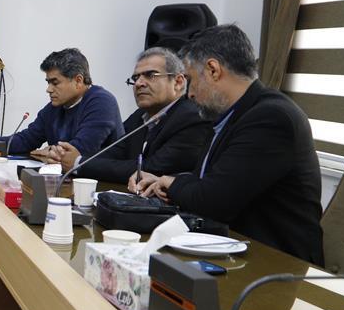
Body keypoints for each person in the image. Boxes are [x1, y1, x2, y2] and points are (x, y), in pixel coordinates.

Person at [135, 24, 323, 264]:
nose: (189, 94)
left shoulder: (271, 117)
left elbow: (213, 201)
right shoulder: (232, 116)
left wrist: (172, 183)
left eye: (191, 80)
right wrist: (166, 180)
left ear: (213, 70)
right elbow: (212, 180)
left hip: (276, 264)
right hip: (233, 250)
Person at [52, 47, 211, 182]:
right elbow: (113, 152)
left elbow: (151, 169)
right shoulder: (141, 116)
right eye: (136, 78)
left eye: (151, 75)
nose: (139, 83)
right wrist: (68, 157)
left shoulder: (192, 117)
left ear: (178, 82)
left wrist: (79, 163)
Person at [0, 48, 123, 159]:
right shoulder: (53, 108)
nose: (48, 89)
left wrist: (49, 151)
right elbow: (26, 139)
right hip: (63, 177)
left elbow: (79, 152)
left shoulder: (102, 102)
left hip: (100, 180)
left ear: (78, 81)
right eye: (48, 82)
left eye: (55, 83)